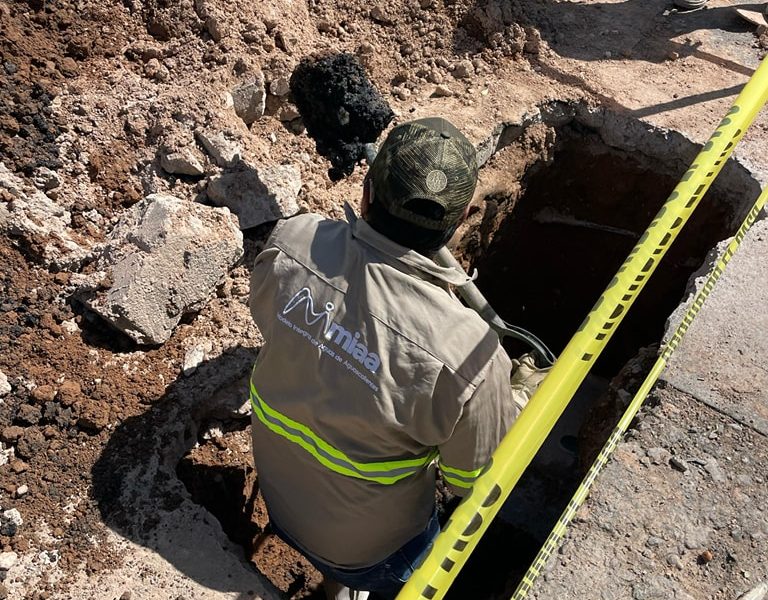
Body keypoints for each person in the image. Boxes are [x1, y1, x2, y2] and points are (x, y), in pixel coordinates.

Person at [247, 117, 524, 600]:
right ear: (460, 224)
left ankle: (333, 588)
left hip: (281, 502)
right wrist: (514, 398)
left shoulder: (292, 242)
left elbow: (269, 320)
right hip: (373, 554)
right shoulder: (471, 356)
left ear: (366, 194)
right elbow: (469, 482)